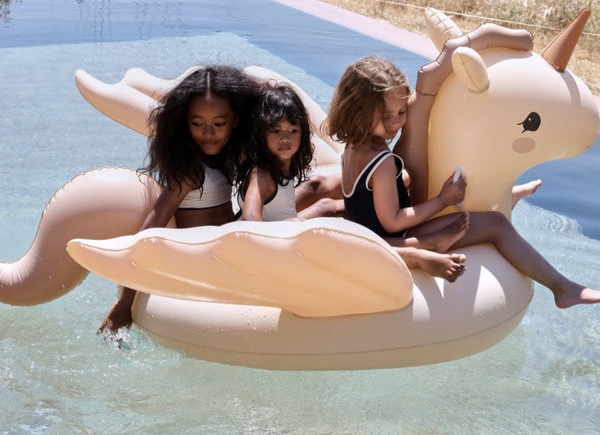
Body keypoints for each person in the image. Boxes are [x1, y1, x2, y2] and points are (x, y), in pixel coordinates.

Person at [325, 55, 600, 307]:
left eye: (401, 112)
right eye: (386, 116)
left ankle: (507, 196)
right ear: (359, 112)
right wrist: (443, 201)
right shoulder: (382, 162)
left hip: (372, 234)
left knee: (409, 179)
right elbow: (393, 221)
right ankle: (562, 288)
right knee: (496, 224)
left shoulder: (353, 148)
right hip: (396, 239)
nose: (397, 122)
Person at [99, 65, 263, 333]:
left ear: (235, 120)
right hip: (203, 265)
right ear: (185, 123)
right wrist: (125, 301)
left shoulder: (229, 156)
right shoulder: (190, 171)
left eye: (218, 124)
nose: (208, 133)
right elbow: (151, 228)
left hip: (225, 258)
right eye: (197, 124)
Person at [238, 82, 344, 221]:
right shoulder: (262, 174)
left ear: (302, 134)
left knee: (317, 184)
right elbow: (250, 219)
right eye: (275, 131)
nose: (284, 138)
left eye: (292, 131)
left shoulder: (282, 166)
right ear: (261, 134)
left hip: (280, 224)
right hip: (272, 237)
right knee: (326, 208)